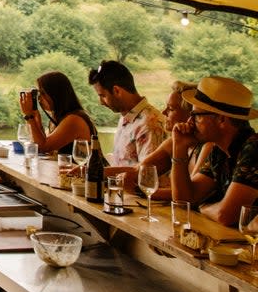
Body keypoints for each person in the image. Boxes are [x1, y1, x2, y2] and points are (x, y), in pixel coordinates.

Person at [170, 76, 258, 225]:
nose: (189, 122)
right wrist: (179, 148)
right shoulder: (219, 150)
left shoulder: (254, 149)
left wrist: (203, 207)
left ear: (221, 120)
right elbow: (184, 200)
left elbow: (225, 216)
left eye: (196, 115)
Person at [88, 60, 166, 166]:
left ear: (117, 91)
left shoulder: (150, 124)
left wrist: (99, 172)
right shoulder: (126, 116)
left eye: (102, 96)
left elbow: (147, 175)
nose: (101, 102)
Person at [19, 71, 99, 155]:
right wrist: (36, 122)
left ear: (55, 94)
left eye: (43, 93)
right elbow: (42, 147)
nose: (39, 98)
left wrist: (29, 116)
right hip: (72, 167)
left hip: (90, 168)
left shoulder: (74, 119)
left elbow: (43, 147)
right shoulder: (59, 117)